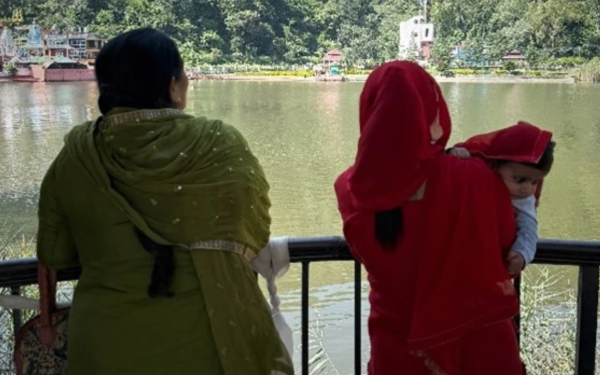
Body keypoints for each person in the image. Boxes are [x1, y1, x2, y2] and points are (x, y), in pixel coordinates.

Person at [36, 28, 293, 375]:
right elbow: (254, 228)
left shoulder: (77, 158)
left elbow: (56, 253)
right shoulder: (218, 143)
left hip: (106, 346)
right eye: (183, 73)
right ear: (172, 86)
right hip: (210, 342)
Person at [334, 61, 529, 374]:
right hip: (480, 341)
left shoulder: (348, 188)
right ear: (433, 111)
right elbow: (506, 242)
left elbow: (365, 252)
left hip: (400, 347)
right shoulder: (475, 176)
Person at [449, 122, 555, 275]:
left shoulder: (524, 201)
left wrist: (522, 254)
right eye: (519, 179)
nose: (527, 189)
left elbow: (528, 230)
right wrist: (457, 153)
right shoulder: (478, 171)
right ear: (495, 164)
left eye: (535, 182)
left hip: (484, 266)